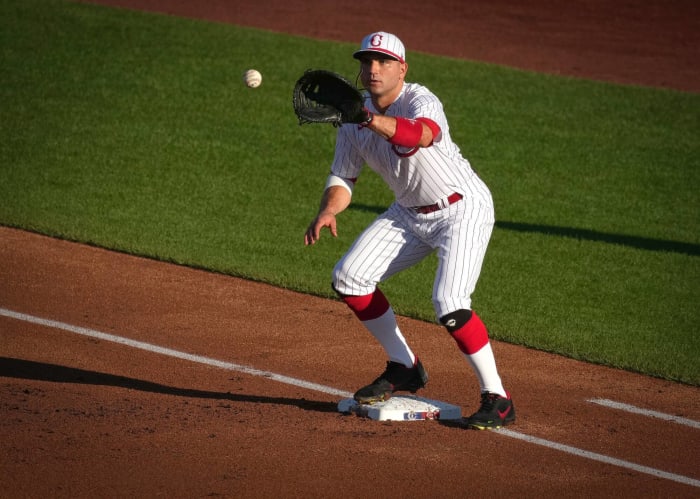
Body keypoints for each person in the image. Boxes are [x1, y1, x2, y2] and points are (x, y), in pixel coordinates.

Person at [303, 31, 515, 430]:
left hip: (461, 208)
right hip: (409, 213)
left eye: (383, 62)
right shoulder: (353, 119)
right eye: (367, 62)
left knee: (449, 302)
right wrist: (329, 210)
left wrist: (366, 118)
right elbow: (342, 176)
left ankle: (498, 398)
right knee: (349, 278)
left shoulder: (420, 99)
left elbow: (422, 134)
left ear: (402, 68)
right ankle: (405, 366)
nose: (373, 69)